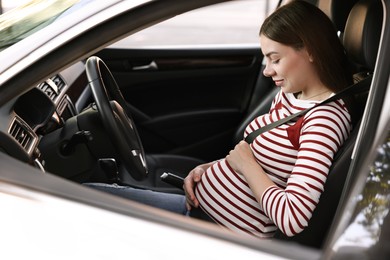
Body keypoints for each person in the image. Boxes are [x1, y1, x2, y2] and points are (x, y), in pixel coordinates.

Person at [86, 0, 353, 239]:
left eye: (275, 59)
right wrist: (209, 169)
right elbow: (260, 159)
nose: (267, 71)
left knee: (84, 202)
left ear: (310, 51)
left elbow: (292, 218)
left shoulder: (323, 121)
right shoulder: (292, 95)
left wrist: (245, 165)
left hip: (217, 238)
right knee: (89, 196)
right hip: (199, 212)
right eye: (265, 59)